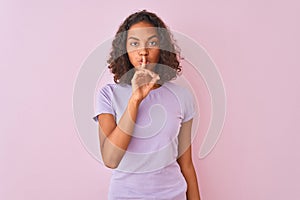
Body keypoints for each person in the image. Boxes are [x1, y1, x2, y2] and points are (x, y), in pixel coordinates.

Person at [93, 10, 201, 200]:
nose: (143, 51)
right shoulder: (108, 95)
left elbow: (187, 165)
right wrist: (135, 99)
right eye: (134, 43)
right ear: (124, 50)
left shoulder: (182, 96)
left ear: (162, 48)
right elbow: (110, 159)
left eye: (152, 42)